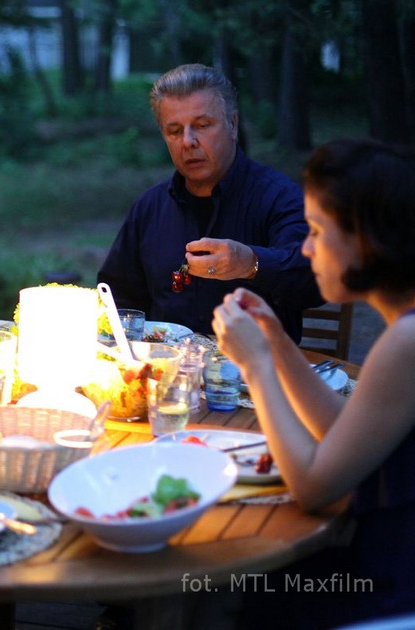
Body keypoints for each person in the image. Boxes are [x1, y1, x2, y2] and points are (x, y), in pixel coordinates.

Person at [212, 138, 415, 627]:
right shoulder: (405, 327)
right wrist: (278, 343)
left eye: (318, 231)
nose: (305, 248)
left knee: (222, 592)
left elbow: (314, 486)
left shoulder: (406, 340)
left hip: (392, 594)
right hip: (386, 566)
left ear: (364, 240)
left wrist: (256, 366)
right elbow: (345, 432)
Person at [97, 63, 322, 341]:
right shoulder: (150, 207)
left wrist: (251, 264)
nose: (188, 141)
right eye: (175, 131)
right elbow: (116, 298)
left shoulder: (277, 196)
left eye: (202, 126)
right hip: (168, 374)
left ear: (233, 125)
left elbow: (315, 280)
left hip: (257, 375)